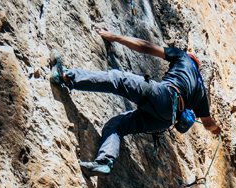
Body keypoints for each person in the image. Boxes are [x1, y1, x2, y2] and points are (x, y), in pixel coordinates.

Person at [50, 31, 221, 178]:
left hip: (163, 95)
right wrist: (219, 131)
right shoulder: (201, 92)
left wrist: (115, 38)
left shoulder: (183, 57)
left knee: (117, 80)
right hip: (164, 121)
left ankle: (65, 77)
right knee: (116, 125)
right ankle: (104, 162)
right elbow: (209, 124)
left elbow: (145, 46)